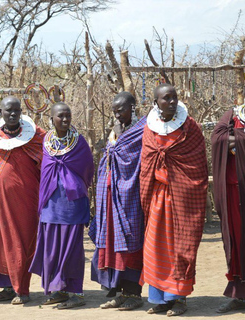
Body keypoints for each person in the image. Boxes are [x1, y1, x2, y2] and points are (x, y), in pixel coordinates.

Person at [139, 84, 207, 316]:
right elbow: (146, 164)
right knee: (155, 248)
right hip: (158, 198)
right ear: (156, 102)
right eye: (166, 98)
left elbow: (196, 167)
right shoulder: (150, 129)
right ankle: (160, 298)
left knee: (179, 248)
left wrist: (177, 181)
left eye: (174, 97)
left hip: (182, 200)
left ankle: (179, 299)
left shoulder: (190, 128)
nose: (171, 101)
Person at [0, 96, 45, 304]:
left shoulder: (36, 137)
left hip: (24, 202)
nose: (12, 114)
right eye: (8, 111)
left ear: (21, 112)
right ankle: (6, 287)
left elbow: (47, 163)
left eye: (16, 111)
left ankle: (21, 290)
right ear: (0, 113)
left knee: (20, 243)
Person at [29, 102, 94, 309]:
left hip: (72, 204)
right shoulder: (46, 141)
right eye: (60, 116)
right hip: (50, 203)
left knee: (72, 249)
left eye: (68, 116)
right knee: (52, 248)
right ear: (52, 118)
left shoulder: (79, 142)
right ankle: (58, 290)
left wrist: (74, 185)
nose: (65, 120)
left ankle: (75, 291)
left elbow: (87, 171)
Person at [89, 92, 146, 311]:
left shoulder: (141, 130)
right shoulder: (116, 131)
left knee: (131, 241)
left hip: (130, 196)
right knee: (112, 243)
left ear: (132, 107)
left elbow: (137, 160)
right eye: (114, 110)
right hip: (110, 199)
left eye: (120, 109)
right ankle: (121, 291)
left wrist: (120, 142)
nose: (116, 114)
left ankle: (134, 293)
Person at [212, 81, 245, 313]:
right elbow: (217, 139)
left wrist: (235, 140)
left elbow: (229, 140)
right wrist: (243, 139)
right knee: (237, 242)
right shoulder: (232, 116)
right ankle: (239, 295)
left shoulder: (234, 125)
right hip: (235, 191)